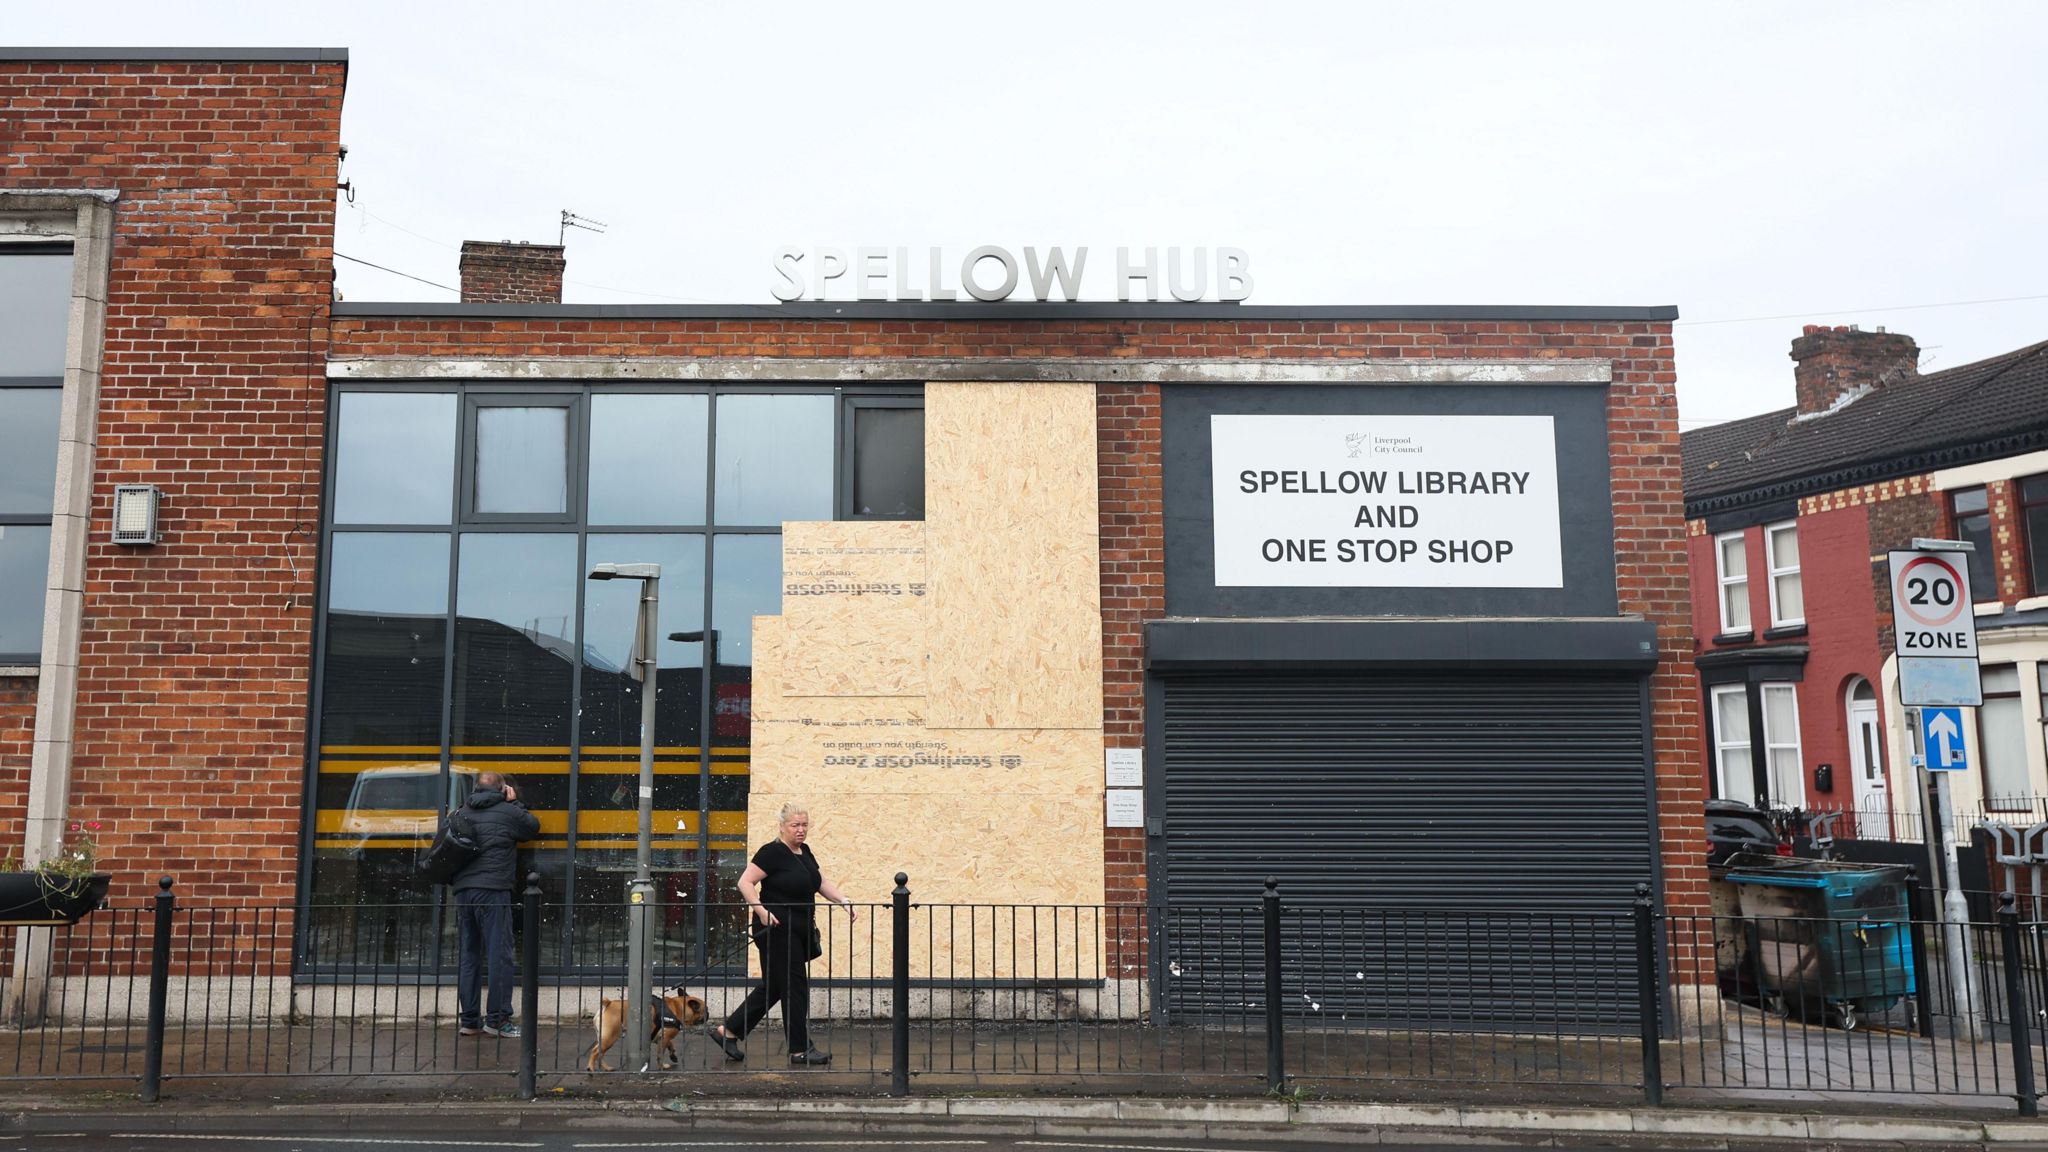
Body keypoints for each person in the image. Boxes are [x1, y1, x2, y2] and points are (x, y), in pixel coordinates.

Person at [708, 802, 856, 1064]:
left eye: (804, 825)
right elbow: (745, 882)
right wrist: (762, 911)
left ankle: (728, 1031)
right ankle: (799, 1049)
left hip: (798, 930)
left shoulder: (804, 851)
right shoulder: (772, 852)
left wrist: (842, 900)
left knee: (775, 986)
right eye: (795, 825)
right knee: (795, 986)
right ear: (782, 826)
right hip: (776, 929)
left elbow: (819, 882)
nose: (801, 830)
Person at [450, 770, 540, 1038]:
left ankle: (469, 1020)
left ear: (477, 788)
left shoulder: (460, 811)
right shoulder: (507, 811)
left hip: (464, 890)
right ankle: (498, 1019)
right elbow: (531, 827)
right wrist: (514, 803)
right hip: (493, 889)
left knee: (470, 954)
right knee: (500, 954)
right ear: (503, 790)